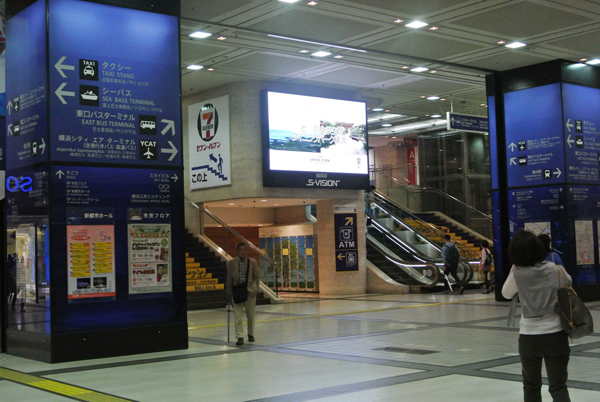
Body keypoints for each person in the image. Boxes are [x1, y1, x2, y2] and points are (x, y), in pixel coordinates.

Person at [502, 230, 572, 402]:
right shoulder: (555, 269)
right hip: (556, 334)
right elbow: (568, 281)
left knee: (531, 386)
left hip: (529, 337)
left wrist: (515, 269)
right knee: (558, 386)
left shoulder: (517, 274)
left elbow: (506, 294)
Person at [226, 243, 260, 346]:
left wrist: (256, 288)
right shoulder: (231, 262)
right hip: (237, 291)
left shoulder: (252, 262)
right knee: (238, 316)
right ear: (237, 251)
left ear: (247, 251)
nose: (243, 251)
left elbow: (257, 276)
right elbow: (229, 278)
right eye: (240, 250)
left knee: (250, 315)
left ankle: (251, 334)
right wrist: (229, 292)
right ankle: (239, 336)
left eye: (244, 249)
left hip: (250, 292)